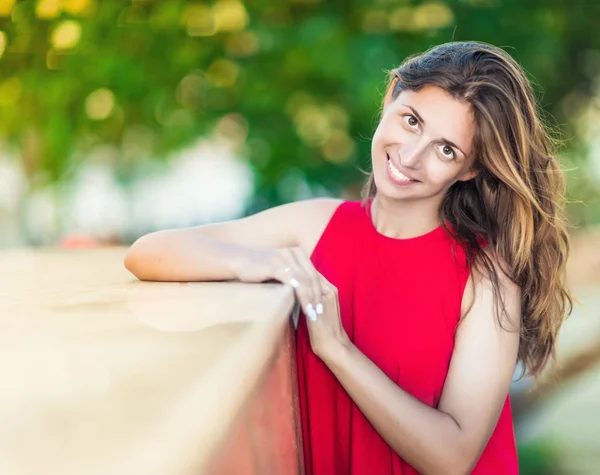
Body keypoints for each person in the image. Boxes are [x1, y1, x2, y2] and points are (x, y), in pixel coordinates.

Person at [124, 41, 573, 474]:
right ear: (390, 99)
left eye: (446, 149)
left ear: (470, 169)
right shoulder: (316, 227)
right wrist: (260, 265)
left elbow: (453, 458)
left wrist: (337, 348)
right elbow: (148, 253)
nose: (412, 157)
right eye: (411, 120)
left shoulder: (486, 276)